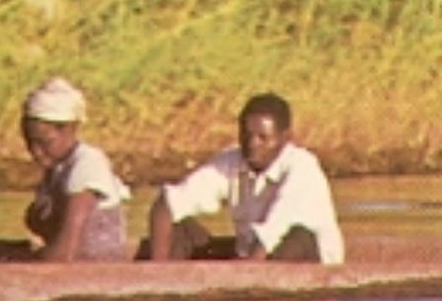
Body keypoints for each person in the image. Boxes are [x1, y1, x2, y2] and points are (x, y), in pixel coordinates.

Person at [144, 93, 345, 265]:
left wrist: (242, 277)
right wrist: (158, 269)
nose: (253, 144)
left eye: (263, 137)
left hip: (302, 255)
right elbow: (167, 203)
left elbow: (274, 231)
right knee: (178, 230)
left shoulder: (302, 167)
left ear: (285, 138)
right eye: (246, 135)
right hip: (249, 255)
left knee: (297, 237)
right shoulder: (231, 161)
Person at [15, 77, 132, 262]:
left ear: (70, 129)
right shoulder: (56, 169)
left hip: (98, 269)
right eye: (30, 142)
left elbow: (66, 251)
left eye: (45, 142)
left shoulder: (87, 164)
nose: (36, 152)